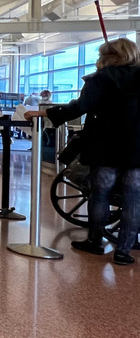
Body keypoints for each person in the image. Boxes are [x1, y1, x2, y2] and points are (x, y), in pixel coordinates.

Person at [25, 38, 140, 266]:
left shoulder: (99, 79)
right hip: (137, 147)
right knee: (134, 199)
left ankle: (95, 241)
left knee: (100, 194)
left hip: (105, 145)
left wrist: (45, 114)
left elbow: (79, 107)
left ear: (106, 57)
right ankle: (123, 251)